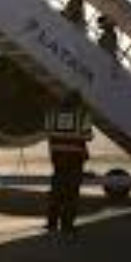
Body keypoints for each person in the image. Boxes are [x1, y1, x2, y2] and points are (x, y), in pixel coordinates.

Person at [45, 91, 93, 235]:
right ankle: (67, 225)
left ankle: (51, 223)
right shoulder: (82, 115)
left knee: (56, 192)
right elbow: (88, 136)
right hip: (74, 158)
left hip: (57, 157)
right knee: (71, 194)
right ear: (78, 102)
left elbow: (47, 132)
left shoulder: (53, 114)